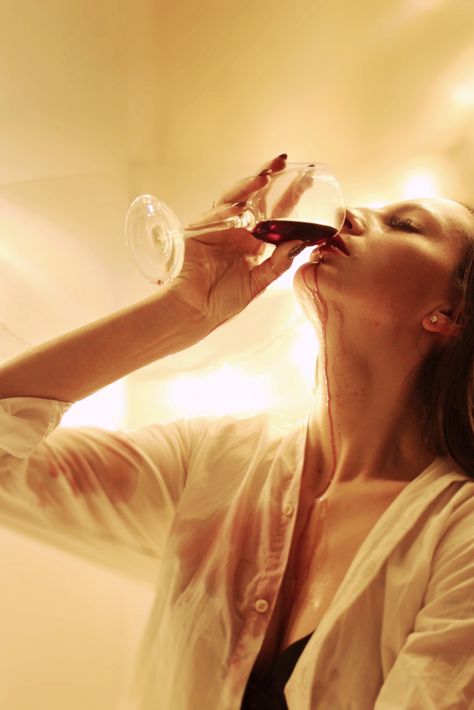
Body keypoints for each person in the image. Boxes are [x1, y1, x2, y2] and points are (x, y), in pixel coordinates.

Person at [0, 153, 473, 710]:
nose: (349, 215)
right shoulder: (216, 459)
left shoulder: (459, 538)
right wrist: (183, 308)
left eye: (404, 224)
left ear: (450, 314)